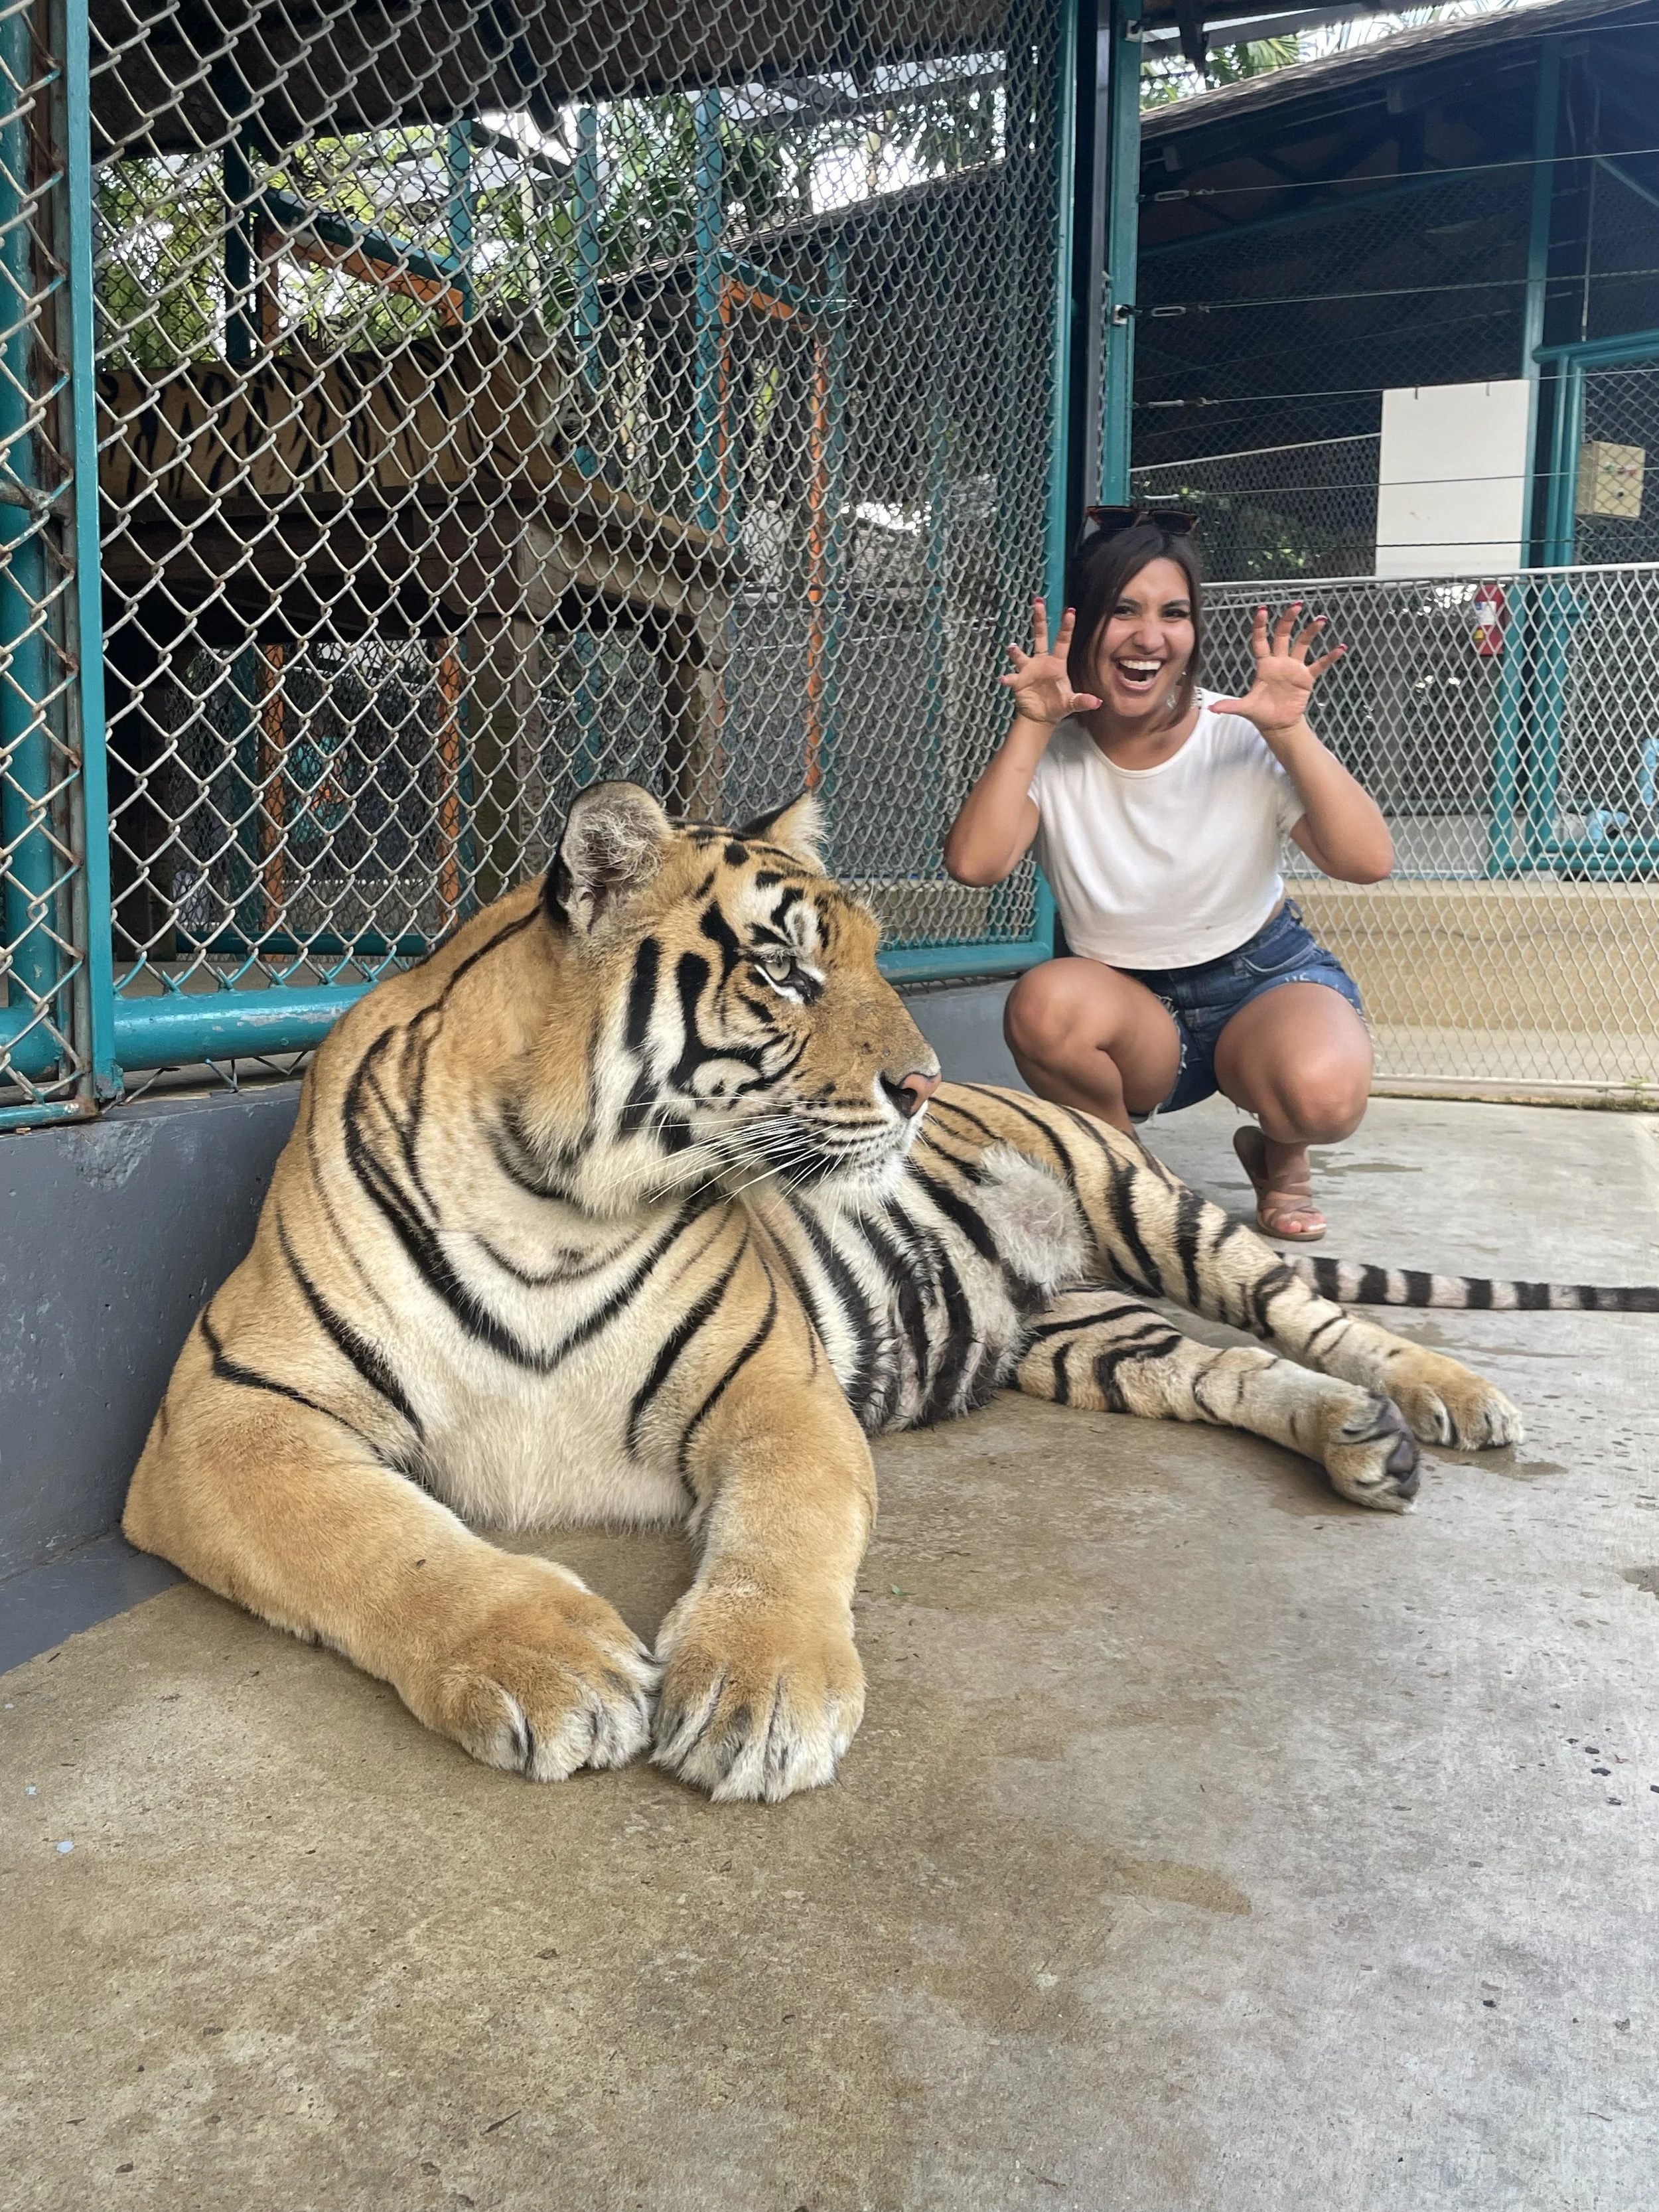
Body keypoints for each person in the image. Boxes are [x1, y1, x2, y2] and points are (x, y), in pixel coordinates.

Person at [942, 510, 1393, 1242]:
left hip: (1262, 978)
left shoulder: (1240, 728)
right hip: (1132, 1004)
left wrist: (1290, 732)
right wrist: (1030, 725)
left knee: (1323, 1098)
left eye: (1173, 614)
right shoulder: (1052, 750)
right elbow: (975, 865)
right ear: (1083, 623)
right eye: (1124, 610)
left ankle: (1281, 1155)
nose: (1149, 637)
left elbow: (1366, 861)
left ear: (1194, 630)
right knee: (1043, 1004)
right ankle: (1134, 1179)